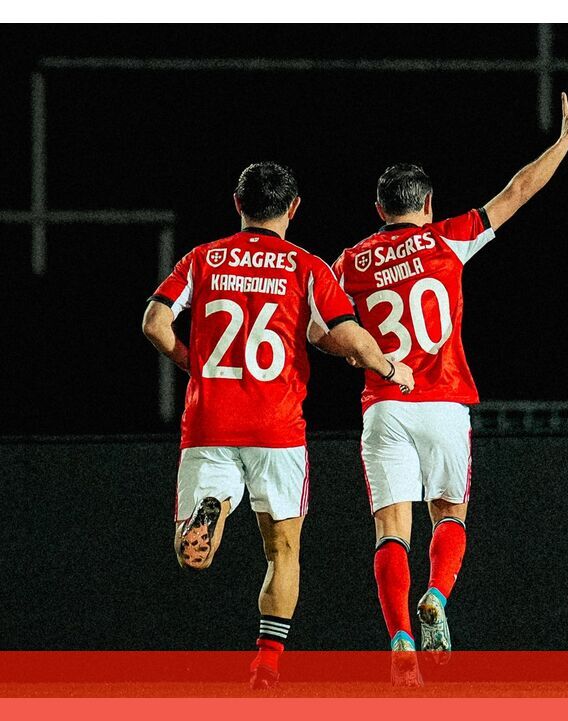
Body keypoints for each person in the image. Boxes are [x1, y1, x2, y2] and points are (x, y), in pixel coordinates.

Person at [312, 92, 568, 685]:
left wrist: (358, 352)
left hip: (385, 405)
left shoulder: (351, 262)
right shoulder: (448, 240)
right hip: (443, 403)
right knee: (450, 514)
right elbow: (518, 191)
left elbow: (319, 332)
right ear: (428, 204)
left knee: (392, 529)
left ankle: (399, 642)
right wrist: (565, 140)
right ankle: (437, 596)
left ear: (379, 208)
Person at [141, 162, 414, 689]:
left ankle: (214, 506)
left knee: (190, 556)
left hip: (210, 422)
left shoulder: (202, 258)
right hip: (277, 429)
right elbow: (350, 335)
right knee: (283, 550)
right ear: (293, 208)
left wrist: (194, 363)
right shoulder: (305, 267)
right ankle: (266, 665)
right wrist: (388, 368)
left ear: (237, 204)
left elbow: (154, 322)